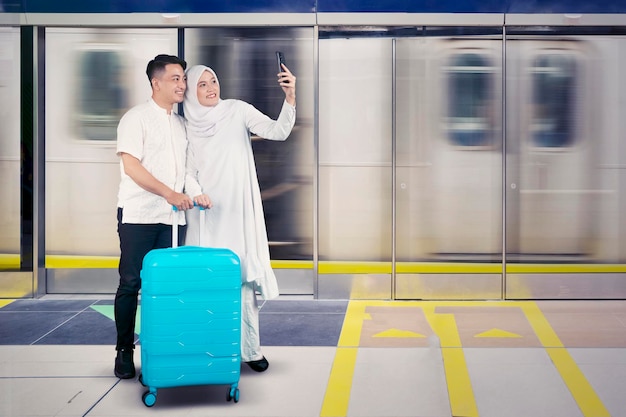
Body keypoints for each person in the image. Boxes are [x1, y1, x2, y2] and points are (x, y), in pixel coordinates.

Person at [183, 62, 296, 372]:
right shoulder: (186, 126)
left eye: (214, 80)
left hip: (237, 211)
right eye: (202, 84)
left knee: (241, 279)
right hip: (205, 216)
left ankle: (251, 350)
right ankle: (206, 348)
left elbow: (278, 131)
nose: (211, 88)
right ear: (191, 92)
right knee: (205, 281)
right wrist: (195, 193)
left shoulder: (237, 110)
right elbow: (187, 172)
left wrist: (289, 96)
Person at [114, 54, 194, 379]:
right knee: (131, 283)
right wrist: (169, 193)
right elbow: (132, 167)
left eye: (183, 79)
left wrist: (193, 191)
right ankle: (123, 351)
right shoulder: (135, 119)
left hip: (172, 220)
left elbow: (187, 169)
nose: (182, 85)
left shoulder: (180, 124)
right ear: (155, 82)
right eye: (176, 78)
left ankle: (162, 349)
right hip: (138, 215)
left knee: (166, 286)